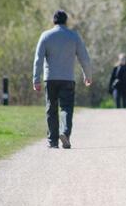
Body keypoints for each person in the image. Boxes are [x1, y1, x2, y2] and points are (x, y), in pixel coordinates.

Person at [33, 10, 92, 149]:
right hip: (67, 78)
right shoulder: (74, 36)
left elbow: (38, 59)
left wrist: (36, 79)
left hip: (50, 78)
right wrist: (87, 75)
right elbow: (84, 58)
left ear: (53, 21)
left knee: (51, 109)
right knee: (66, 108)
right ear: (66, 21)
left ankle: (52, 141)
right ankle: (65, 133)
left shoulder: (45, 36)